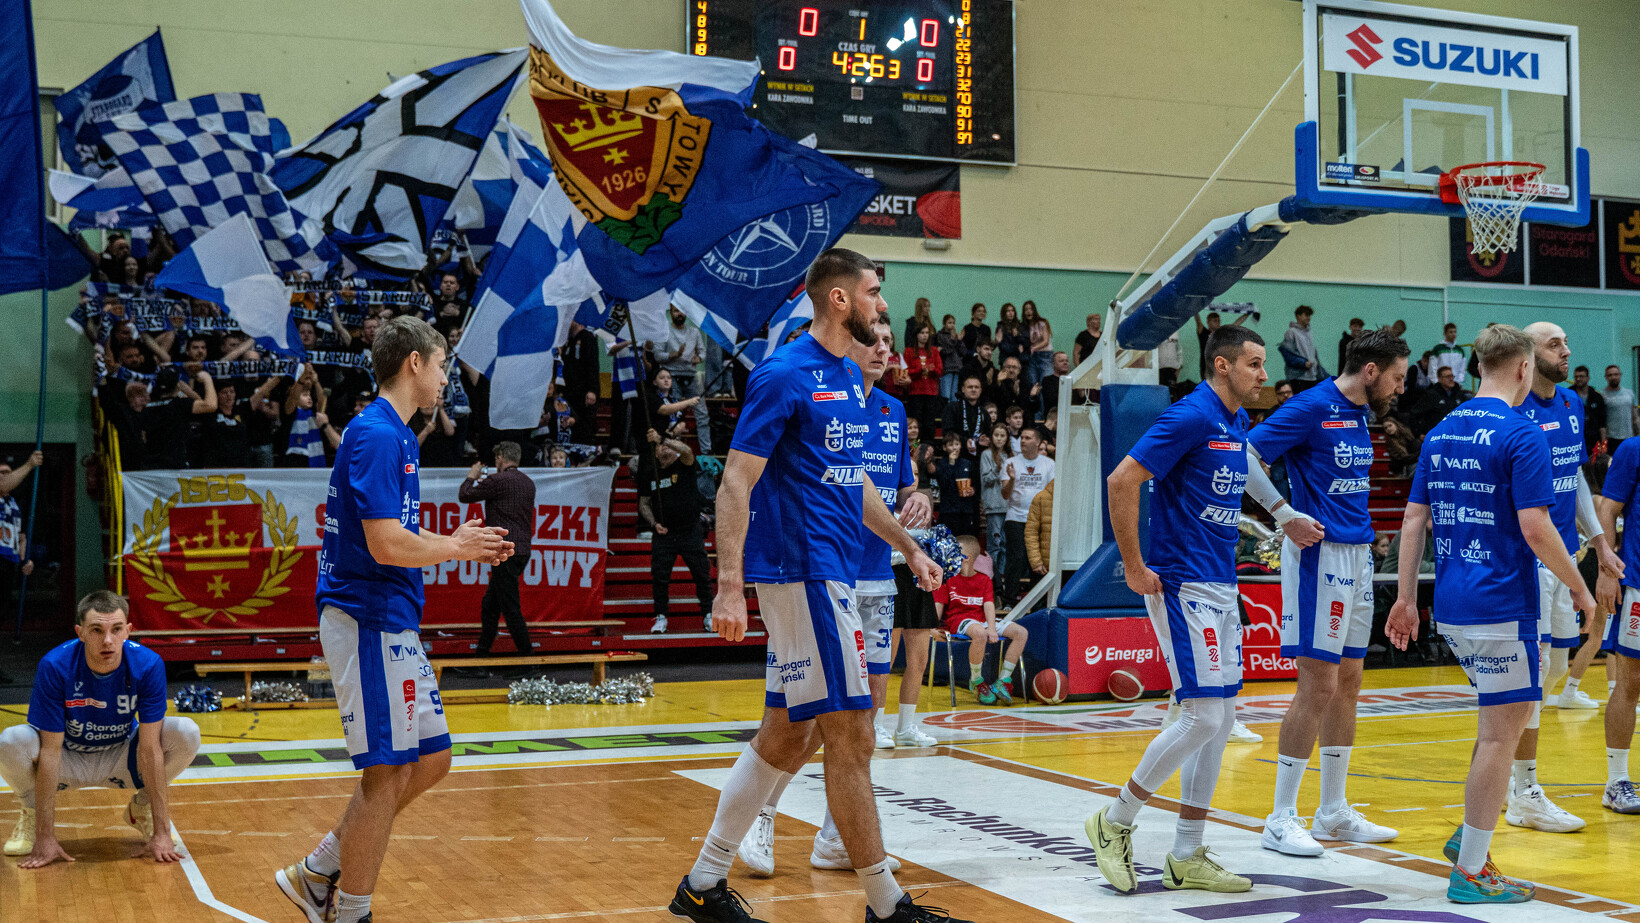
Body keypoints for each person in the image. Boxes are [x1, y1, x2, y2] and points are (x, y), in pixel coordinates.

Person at [670, 249, 958, 923]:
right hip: (800, 573)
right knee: (854, 731)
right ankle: (886, 904)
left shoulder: (848, 377)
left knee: (788, 735)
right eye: (873, 292)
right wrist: (728, 586)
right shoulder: (783, 373)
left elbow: (854, 483)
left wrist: (908, 545)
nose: (881, 305)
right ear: (839, 299)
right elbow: (735, 482)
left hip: (833, 572)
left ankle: (703, 884)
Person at [276, 316, 512, 923]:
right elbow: (385, 544)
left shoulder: (398, 434)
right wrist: (455, 547)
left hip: (390, 616)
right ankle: (350, 910)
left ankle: (318, 869)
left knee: (431, 758)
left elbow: (398, 534)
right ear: (414, 363)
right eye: (441, 365)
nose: (445, 378)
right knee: (387, 772)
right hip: (368, 614)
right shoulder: (378, 434)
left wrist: (461, 544)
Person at [1386, 324, 1594, 905]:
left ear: (1478, 365)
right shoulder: (1521, 432)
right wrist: (1579, 587)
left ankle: (1468, 836)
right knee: (1503, 735)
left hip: (1453, 601)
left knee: (1502, 723)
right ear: (1524, 368)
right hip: (1502, 603)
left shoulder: (1441, 431)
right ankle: (1472, 871)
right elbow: (1537, 527)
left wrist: (1406, 597)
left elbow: (1413, 520)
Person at [736, 317, 933, 878]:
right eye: (873, 339)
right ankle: (760, 814)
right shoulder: (814, 393)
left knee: (861, 720)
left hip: (874, 577)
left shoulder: (891, 412)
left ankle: (835, 838)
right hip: (814, 574)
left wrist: (917, 502)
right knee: (797, 718)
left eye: (888, 342)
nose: (881, 349)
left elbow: (895, 487)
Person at [1086, 324, 1269, 895]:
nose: (1263, 374)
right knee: (1203, 717)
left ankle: (1187, 852)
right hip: (1183, 583)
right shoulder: (1190, 415)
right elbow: (1122, 479)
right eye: (1254, 363)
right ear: (1222, 365)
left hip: (1221, 582)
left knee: (1222, 721)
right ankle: (1113, 820)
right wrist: (1133, 565)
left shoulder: (1236, 421)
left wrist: (1276, 517)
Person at [1243, 328, 1410, 855]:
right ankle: (1279, 817)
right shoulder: (1311, 405)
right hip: (1320, 558)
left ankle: (1332, 810)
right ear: (1370, 370)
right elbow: (1244, 456)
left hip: (1357, 555)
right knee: (1317, 685)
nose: (1400, 388)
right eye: (1397, 377)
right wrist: (1284, 514)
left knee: (1349, 683)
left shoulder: (1359, 413)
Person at [1500, 323, 1624, 832]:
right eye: (1554, 344)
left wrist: (1599, 542)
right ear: (1528, 355)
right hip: (1527, 555)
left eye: (1566, 341)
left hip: (1565, 553)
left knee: (1554, 667)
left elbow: (1574, 476)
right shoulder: (1512, 408)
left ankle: (1505, 762)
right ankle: (1523, 787)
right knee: (1530, 673)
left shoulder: (1572, 403)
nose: (1567, 350)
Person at [1, 590, 201, 866]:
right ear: (80, 632)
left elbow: (150, 748)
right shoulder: (55, 665)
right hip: (68, 757)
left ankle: (141, 807)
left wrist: (162, 833)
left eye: (116, 629)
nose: (107, 640)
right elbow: (50, 750)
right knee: (11, 740)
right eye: (96, 630)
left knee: (186, 732)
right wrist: (45, 838)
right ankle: (32, 815)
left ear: (128, 631)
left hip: (122, 756)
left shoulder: (148, 664)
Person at [1594, 440, 1640, 813]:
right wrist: (1608, 572)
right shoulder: (1633, 450)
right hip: (1638, 581)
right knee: (1631, 681)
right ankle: (1616, 781)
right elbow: (1607, 510)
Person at [460, 441, 538, 656]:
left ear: (501, 458)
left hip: (504, 550)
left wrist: (471, 476)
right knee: (491, 604)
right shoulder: (528, 483)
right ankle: (481, 656)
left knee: (510, 607)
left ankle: (528, 659)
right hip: (522, 549)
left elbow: (465, 495)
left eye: (496, 459)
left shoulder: (497, 480)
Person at [637, 428, 713, 635]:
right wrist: (653, 523)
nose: (665, 448)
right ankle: (661, 616)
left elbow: (687, 450)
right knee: (659, 577)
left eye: (669, 445)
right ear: (655, 452)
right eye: (661, 446)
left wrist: (663, 438)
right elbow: (644, 503)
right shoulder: (650, 473)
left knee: (701, 574)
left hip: (690, 530)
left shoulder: (684, 464)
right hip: (664, 533)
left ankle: (708, 614)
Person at [936, 534, 1027, 704]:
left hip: (982, 620)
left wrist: (991, 628)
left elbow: (989, 605)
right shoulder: (947, 579)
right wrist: (931, 628)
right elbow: (938, 606)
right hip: (959, 620)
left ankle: (1003, 681)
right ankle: (977, 681)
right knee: (980, 633)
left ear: (967, 558)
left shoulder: (984, 579)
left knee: (1021, 632)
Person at [1000, 426, 1054, 607]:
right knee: (1016, 559)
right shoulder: (1011, 462)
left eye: (1028, 438)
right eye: (1022, 437)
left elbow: (1052, 492)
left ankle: (1037, 604)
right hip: (1016, 517)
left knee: (1038, 561)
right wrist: (1012, 479)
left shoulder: (1049, 464)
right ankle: (1009, 601)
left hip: (1039, 520)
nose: (1023, 440)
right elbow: (1005, 495)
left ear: (1038, 442)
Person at [141, 365, 216, 470]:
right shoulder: (180, 404)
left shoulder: (147, 408)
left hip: (151, 466)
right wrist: (207, 379)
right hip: (174, 466)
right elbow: (211, 405)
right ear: (177, 386)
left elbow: (144, 437)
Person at [661, 305, 712, 454]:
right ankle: (674, 449)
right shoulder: (665, 331)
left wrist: (699, 358)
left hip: (691, 376)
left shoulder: (694, 331)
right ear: (671, 313)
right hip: (671, 376)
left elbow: (702, 352)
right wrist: (673, 355)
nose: (679, 314)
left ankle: (706, 451)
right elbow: (658, 355)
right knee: (674, 415)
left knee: (702, 413)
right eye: (676, 311)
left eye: (682, 311)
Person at [932, 432, 980, 537]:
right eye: (951, 445)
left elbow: (975, 483)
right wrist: (951, 463)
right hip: (948, 510)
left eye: (957, 444)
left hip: (965, 510)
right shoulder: (941, 464)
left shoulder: (967, 463)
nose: (954, 448)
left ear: (961, 446)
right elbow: (943, 484)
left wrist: (973, 490)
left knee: (965, 539)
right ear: (945, 448)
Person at [901, 324, 942, 437]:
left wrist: (932, 369)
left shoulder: (934, 351)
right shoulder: (909, 351)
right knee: (916, 421)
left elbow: (940, 371)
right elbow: (906, 371)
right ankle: (915, 445)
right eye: (922, 333)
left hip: (931, 392)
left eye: (927, 333)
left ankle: (929, 445)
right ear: (917, 335)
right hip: (915, 392)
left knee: (930, 422)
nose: (925, 335)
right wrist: (920, 369)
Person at [1277, 305, 1324, 391]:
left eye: (1309, 315)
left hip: (1312, 377)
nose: (1309, 318)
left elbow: (1313, 354)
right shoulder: (1291, 332)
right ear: (1298, 316)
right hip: (1298, 377)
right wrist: (1303, 363)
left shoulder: (1309, 333)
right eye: (1306, 315)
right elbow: (1288, 355)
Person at [1412, 366, 1471, 435]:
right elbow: (1415, 414)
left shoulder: (1459, 394)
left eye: (1452, 376)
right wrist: (1418, 433)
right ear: (1440, 379)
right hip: (1437, 435)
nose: (1451, 379)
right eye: (1448, 377)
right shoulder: (1432, 395)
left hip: (1457, 434)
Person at [1194, 310, 1250, 380]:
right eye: (1215, 321)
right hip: (1207, 371)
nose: (1218, 322)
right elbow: (1198, 320)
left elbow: (1236, 324)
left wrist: (1247, 314)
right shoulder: (1203, 333)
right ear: (1208, 322)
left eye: (1219, 320)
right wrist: (1194, 308)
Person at [940, 375, 987, 456]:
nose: (973, 390)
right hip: (956, 454)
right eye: (970, 387)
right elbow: (947, 433)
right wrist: (965, 441)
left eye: (976, 387)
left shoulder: (984, 412)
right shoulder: (952, 408)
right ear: (963, 389)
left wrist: (984, 439)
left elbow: (987, 432)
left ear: (980, 390)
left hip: (978, 455)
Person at [1569, 365, 1607, 456]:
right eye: (1576, 377)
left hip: (1593, 441)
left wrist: (1603, 443)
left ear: (1588, 378)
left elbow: (1602, 423)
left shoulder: (1597, 397)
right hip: (1574, 440)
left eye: (1581, 376)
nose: (1578, 379)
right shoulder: (1568, 395)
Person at [1023, 477, 1054, 581]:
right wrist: (1036, 562)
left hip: (1073, 565)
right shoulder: (1041, 498)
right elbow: (1031, 532)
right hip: (1045, 567)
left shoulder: (1079, 499)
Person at [1604, 364, 1638, 457]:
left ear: (1620, 375)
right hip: (1612, 439)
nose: (1613, 377)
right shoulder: (1602, 396)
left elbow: (1635, 417)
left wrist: (1638, 434)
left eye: (1616, 374)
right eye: (1610, 375)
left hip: (1629, 438)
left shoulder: (1630, 393)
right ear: (1606, 377)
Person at [1022, 300, 1054, 386]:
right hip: (1032, 357)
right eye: (1026, 309)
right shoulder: (1024, 326)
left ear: (1034, 311)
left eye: (1030, 309)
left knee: (1045, 382)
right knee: (1033, 383)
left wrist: (1034, 347)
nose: (1028, 311)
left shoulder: (1042, 323)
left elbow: (1046, 341)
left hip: (1045, 355)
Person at [1034, 351, 1071, 422]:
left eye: (1067, 361)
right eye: (1061, 361)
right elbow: (1053, 400)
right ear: (1053, 364)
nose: (1065, 363)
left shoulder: (1072, 380)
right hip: (1054, 420)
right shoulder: (1047, 381)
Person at [934, 314, 964, 401]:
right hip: (946, 367)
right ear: (944, 323)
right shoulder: (940, 335)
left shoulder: (956, 336)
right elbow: (947, 350)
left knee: (955, 396)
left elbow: (963, 352)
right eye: (949, 323)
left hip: (957, 367)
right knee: (946, 395)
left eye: (953, 323)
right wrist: (954, 340)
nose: (952, 325)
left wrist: (959, 341)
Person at [994, 302, 1028, 369]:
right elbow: (1003, 346)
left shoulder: (1019, 326)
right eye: (1008, 311)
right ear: (1004, 313)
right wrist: (1017, 348)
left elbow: (1024, 343)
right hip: (1005, 360)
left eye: (1012, 311)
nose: (1011, 313)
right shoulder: (1000, 327)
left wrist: (1017, 335)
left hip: (1019, 360)